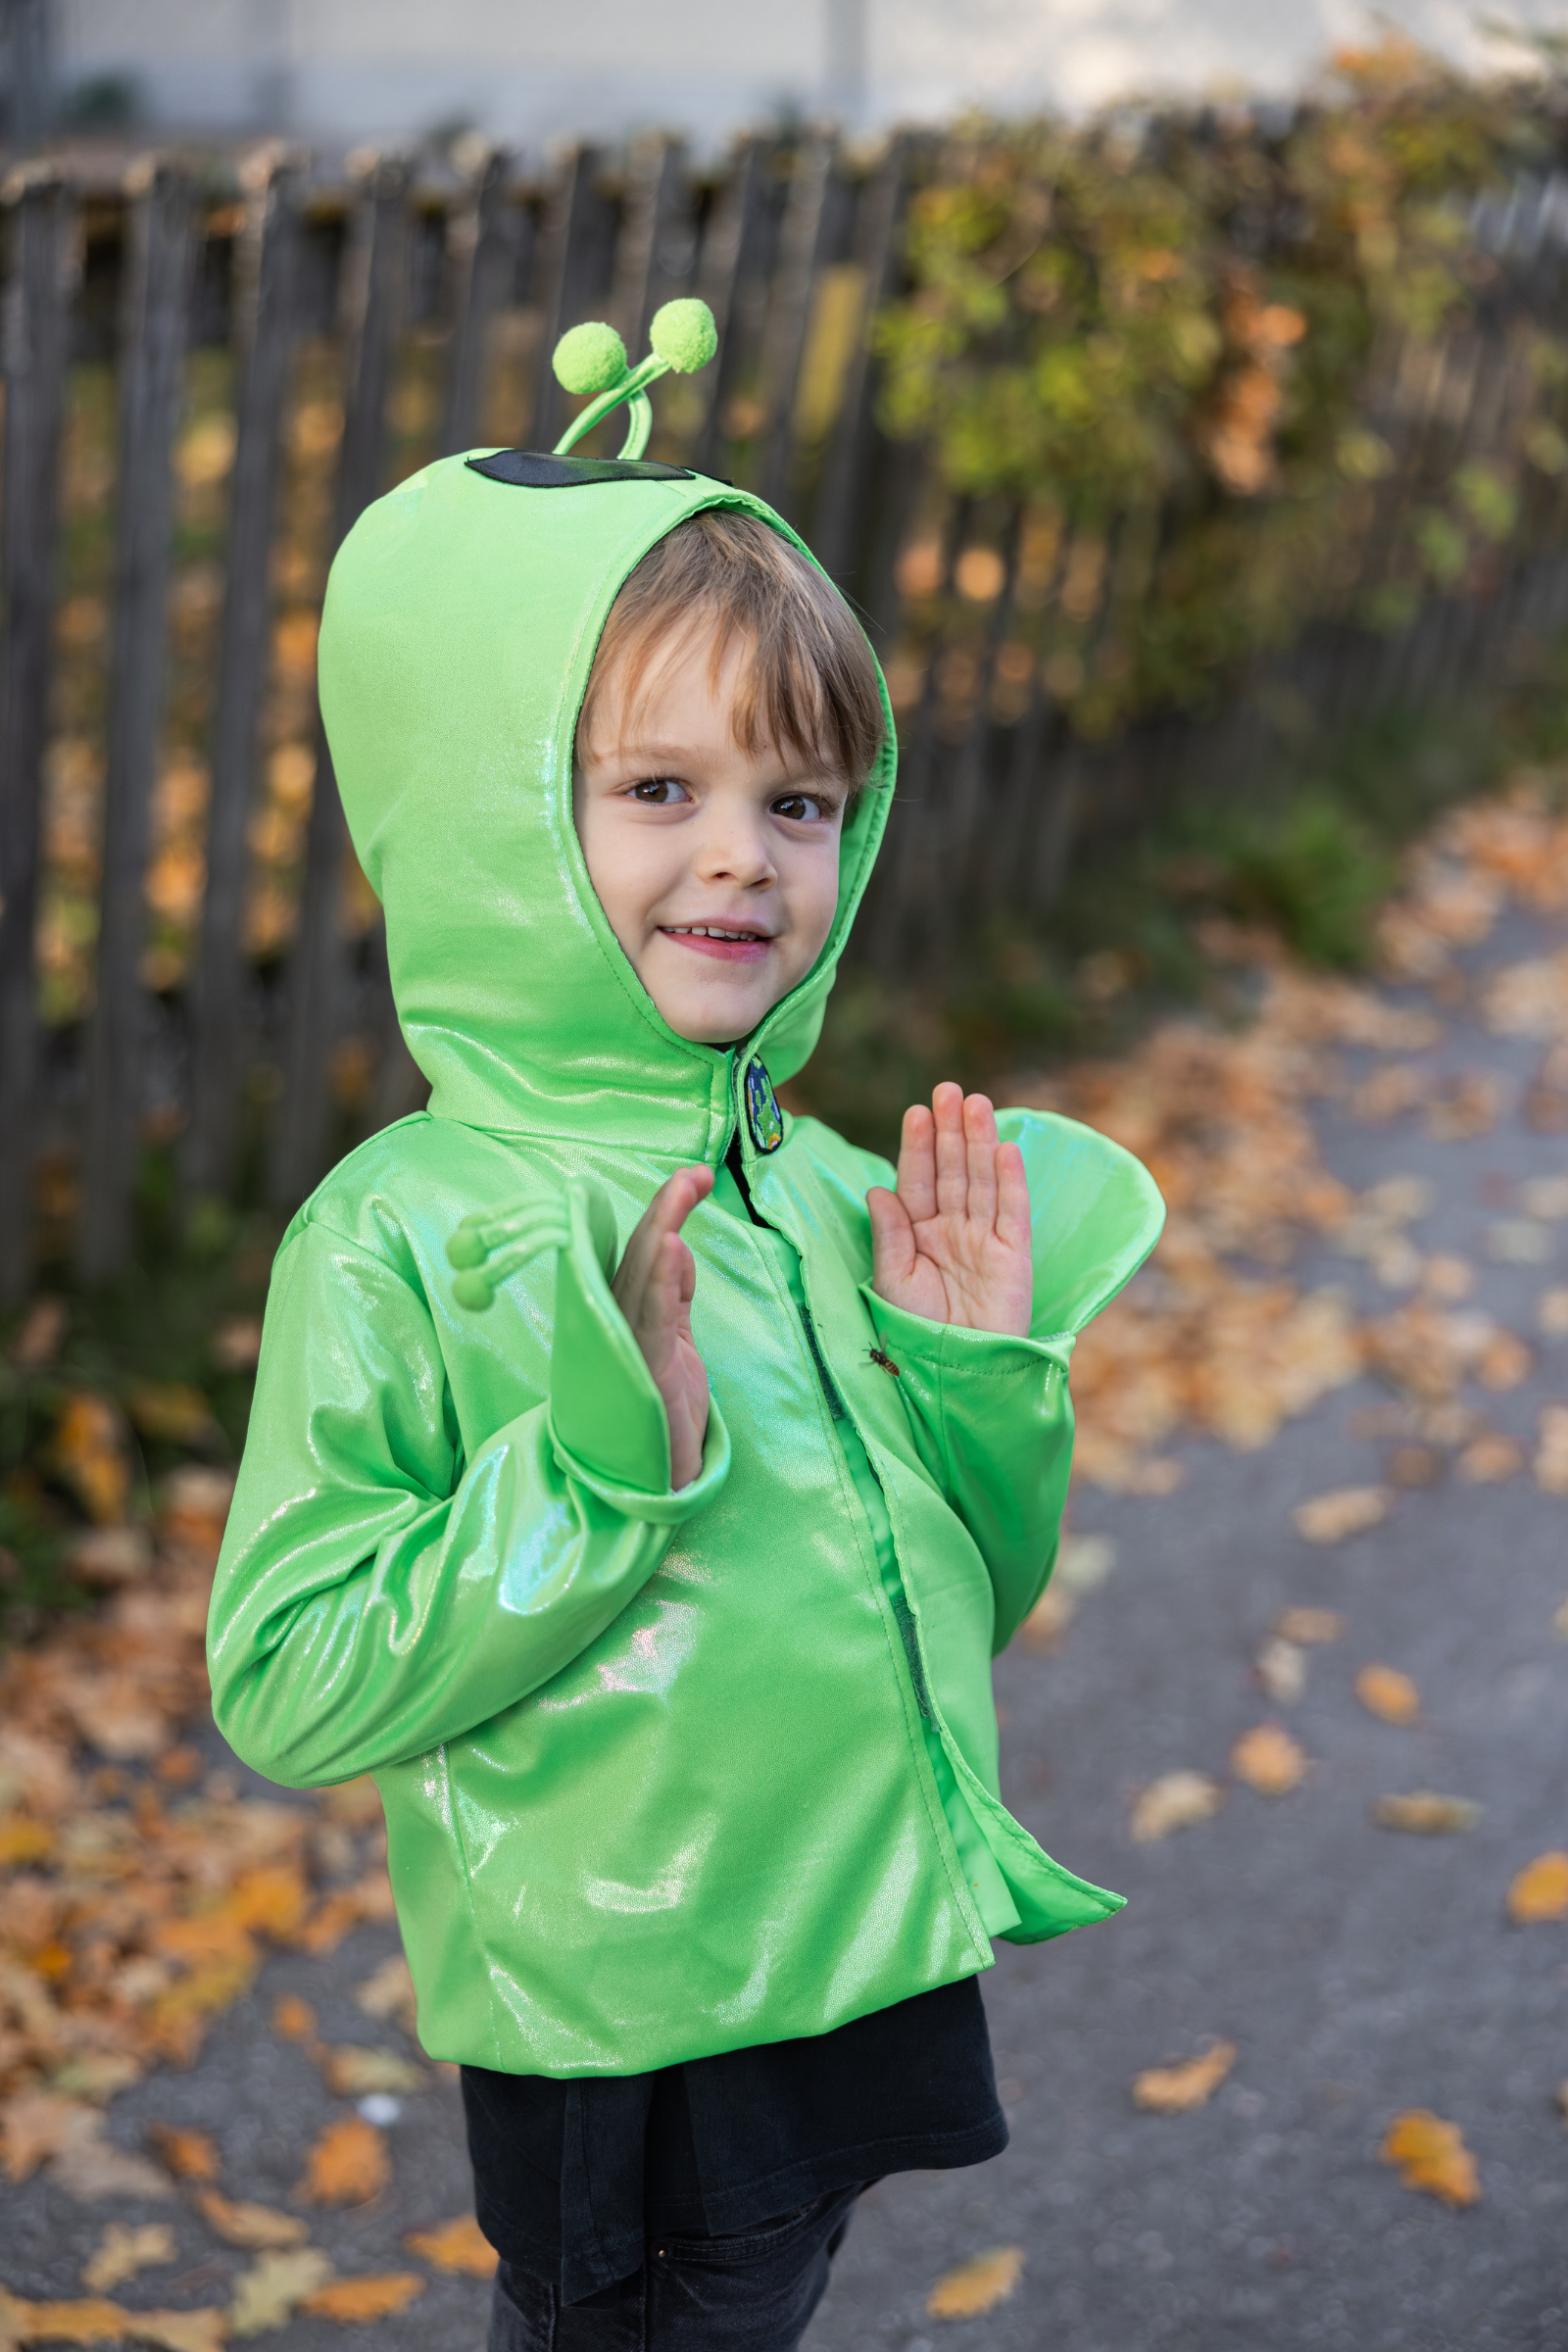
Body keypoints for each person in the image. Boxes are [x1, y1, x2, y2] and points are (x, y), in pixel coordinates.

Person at [207, 317, 1164, 2352]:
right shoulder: (411, 1237)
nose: (740, 851)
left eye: (798, 801)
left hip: (847, 1941)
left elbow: (953, 1602)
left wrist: (971, 1380)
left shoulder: (808, 1184)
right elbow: (284, 1679)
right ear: (491, 822)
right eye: (655, 787)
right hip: (627, 2015)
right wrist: (593, 1476)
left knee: (774, 2296)